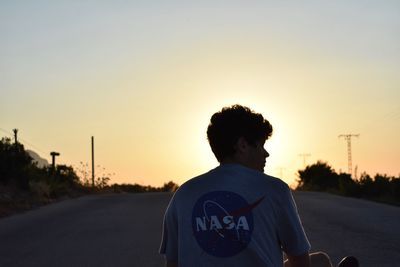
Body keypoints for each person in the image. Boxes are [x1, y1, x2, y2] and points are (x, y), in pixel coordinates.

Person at [159, 104, 358, 267]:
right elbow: (299, 260)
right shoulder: (274, 189)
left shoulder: (183, 194)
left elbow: (173, 263)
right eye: (261, 145)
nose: (266, 154)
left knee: (320, 259)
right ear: (243, 145)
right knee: (320, 262)